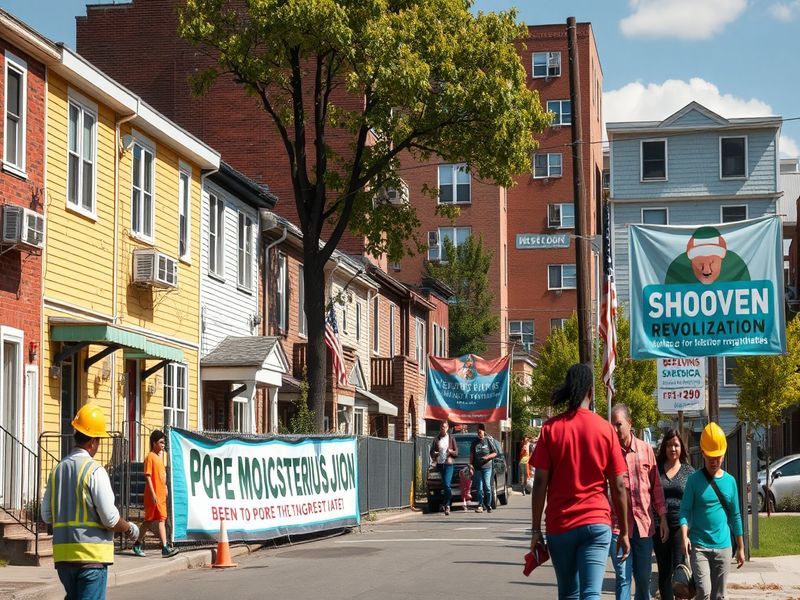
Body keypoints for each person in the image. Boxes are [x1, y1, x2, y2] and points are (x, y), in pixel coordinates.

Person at [529, 363, 630, 600]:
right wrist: (624, 531)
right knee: (591, 593)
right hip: (596, 523)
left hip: (560, 525)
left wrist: (535, 529)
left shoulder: (550, 430)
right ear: (590, 392)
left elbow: (540, 481)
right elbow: (619, 485)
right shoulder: (605, 430)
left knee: (568, 594)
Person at [41, 404, 140, 600]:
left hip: (63, 560)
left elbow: (46, 516)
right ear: (93, 441)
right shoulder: (94, 470)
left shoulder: (57, 471)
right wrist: (130, 529)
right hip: (91, 559)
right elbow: (110, 519)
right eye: (99, 440)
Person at [609, 404, 669, 600]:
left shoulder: (645, 450)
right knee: (623, 578)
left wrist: (663, 517)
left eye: (619, 424)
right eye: (613, 425)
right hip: (618, 528)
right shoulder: (608, 454)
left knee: (643, 579)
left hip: (644, 526)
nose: (616, 430)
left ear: (630, 423)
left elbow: (656, 487)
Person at [679, 422, 745, 600]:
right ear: (703, 454)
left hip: (724, 546)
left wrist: (740, 546)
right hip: (699, 545)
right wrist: (684, 536)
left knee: (720, 595)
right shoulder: (694, 480)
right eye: (710, 457)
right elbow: (685, 510)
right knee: (704, 591)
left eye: (718, 457)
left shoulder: (730, 481)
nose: (714, 461)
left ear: (723, 455)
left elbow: (735, 515)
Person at [654, 429, 695, 600]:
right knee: (664, 570)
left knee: (680, 571)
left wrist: (689, 531)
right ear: (664, 447)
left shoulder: (689, 471)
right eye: (669, 445)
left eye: (676, 445)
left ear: (681, 448)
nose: (672, 449)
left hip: (681, 527)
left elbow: (694, 502)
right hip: (659, 526)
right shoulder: (656, 470)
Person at [132, 430, 179, 557]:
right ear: (154, 443)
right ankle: (157, 546)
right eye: (161, 442)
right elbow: (148, 476)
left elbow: (161, 477)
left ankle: (160, 546)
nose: (163, 445)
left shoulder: (159, 458)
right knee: (151, 520)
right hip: (154, 496)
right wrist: (153, 494)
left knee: (160, 520)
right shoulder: (150, 457)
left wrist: (165, 488)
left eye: (164, 442)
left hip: (161, 495)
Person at [429, 420, 458, 515]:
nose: (443, 429)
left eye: (445, 427)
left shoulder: (451, 438)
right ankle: (444, 503)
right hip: (439, 464)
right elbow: (431, 452)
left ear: (447, 428)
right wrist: (435, 454)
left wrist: (450, 451)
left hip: (449, 464)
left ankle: (447, 505)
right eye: (442, 427)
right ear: (440, 428)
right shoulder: (436, 439)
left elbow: (456, 452)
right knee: (442, 486)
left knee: (446, 484)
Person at [470, 424, 497, 513]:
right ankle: (480, 505)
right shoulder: (474, 443)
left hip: (487, 468)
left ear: (484, 432)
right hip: (477, 468)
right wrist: (470, 465)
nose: (479, 433)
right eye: (478, 432)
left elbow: (495, 453)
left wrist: (487, 457)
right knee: (479, 488)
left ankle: (488, 504)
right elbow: (471, 456)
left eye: (480, 432)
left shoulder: (488, 441)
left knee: (487, 487)